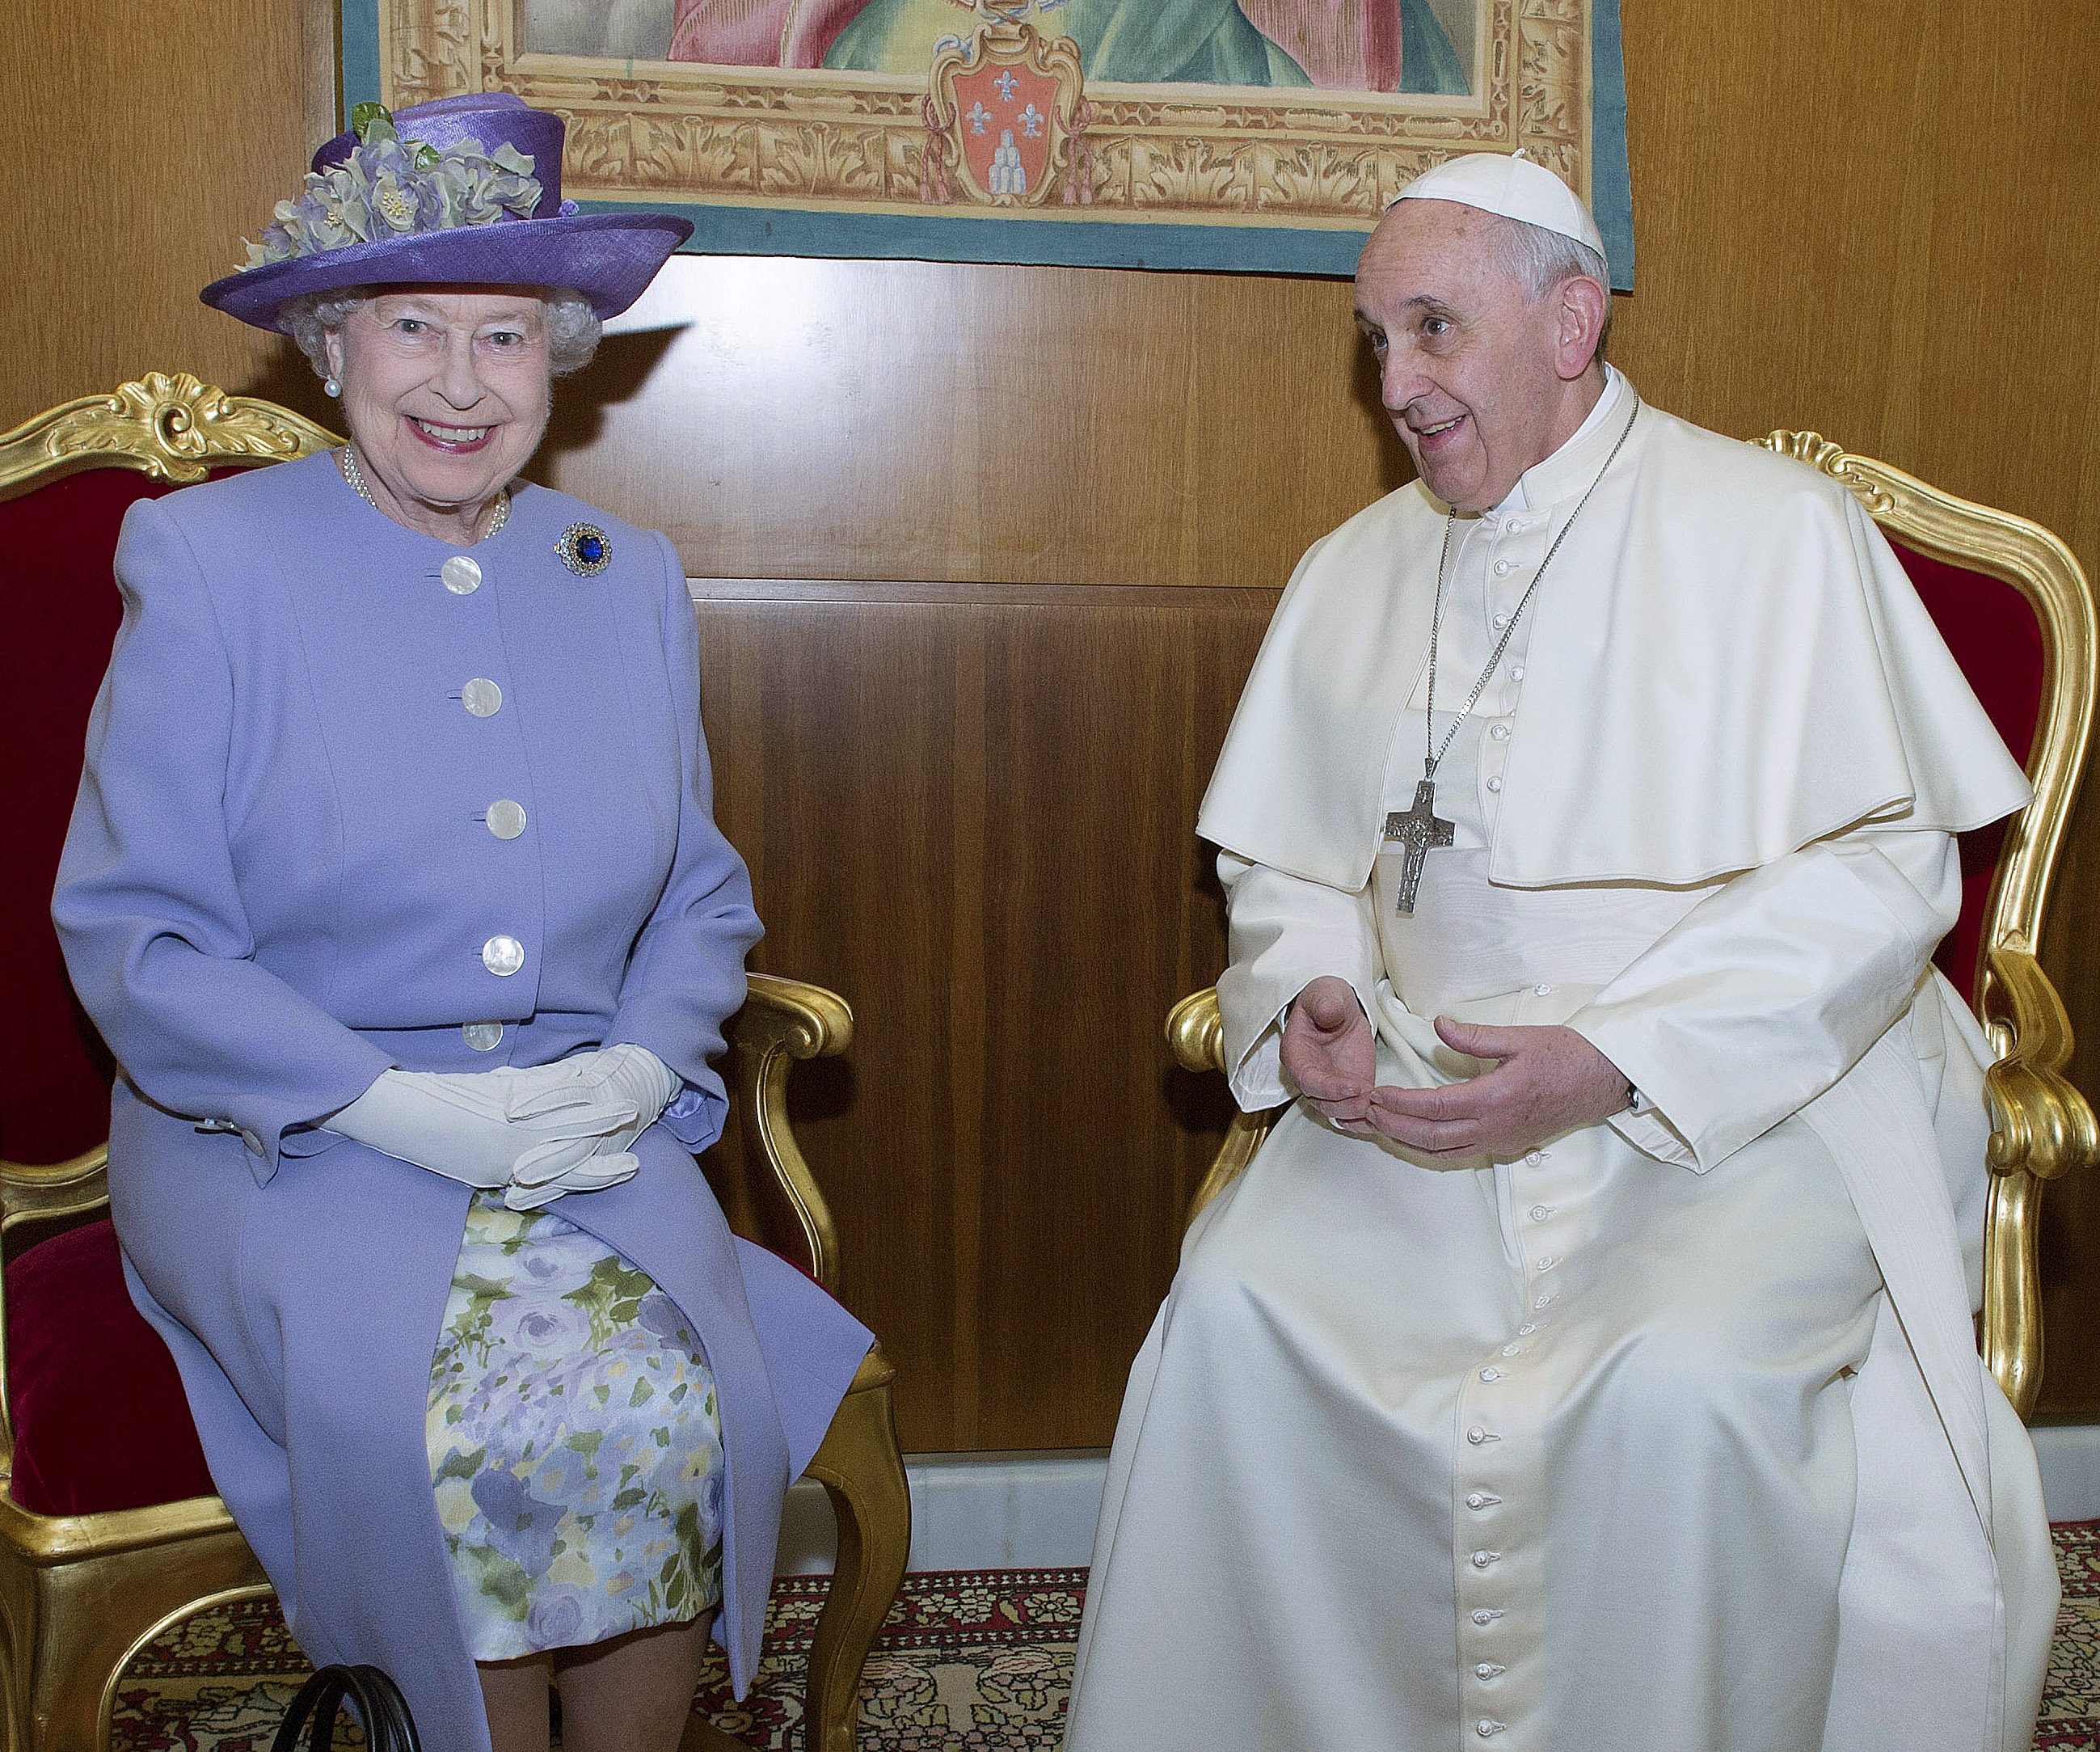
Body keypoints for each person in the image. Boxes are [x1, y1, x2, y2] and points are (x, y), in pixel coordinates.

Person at [1064, 152, 2058, 1752]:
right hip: (1426, 1092)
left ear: (1572, 318)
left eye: (1434, 329)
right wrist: (1313, 993)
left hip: (1752, 1101)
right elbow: (1291, 867)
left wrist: (1618, 1061)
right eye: (1378, 341)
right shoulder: (1356, 572)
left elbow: (1886, 877)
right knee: (1239, 1312)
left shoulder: (1778, 535)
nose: (1398, 383)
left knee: (1681, 1390)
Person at [52, 92, 872, 1752]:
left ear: (560, 359)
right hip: (283, 1134)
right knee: (473, 1429)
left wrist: (642, 1075)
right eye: (412, 326)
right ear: (329, 345)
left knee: (674, 1399)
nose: (456, 380)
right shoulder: (207, 562)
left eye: (504, 334)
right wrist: (390, 1105)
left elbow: (699, 892)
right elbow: (137, 935)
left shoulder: (621, 571)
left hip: (581, 1125)